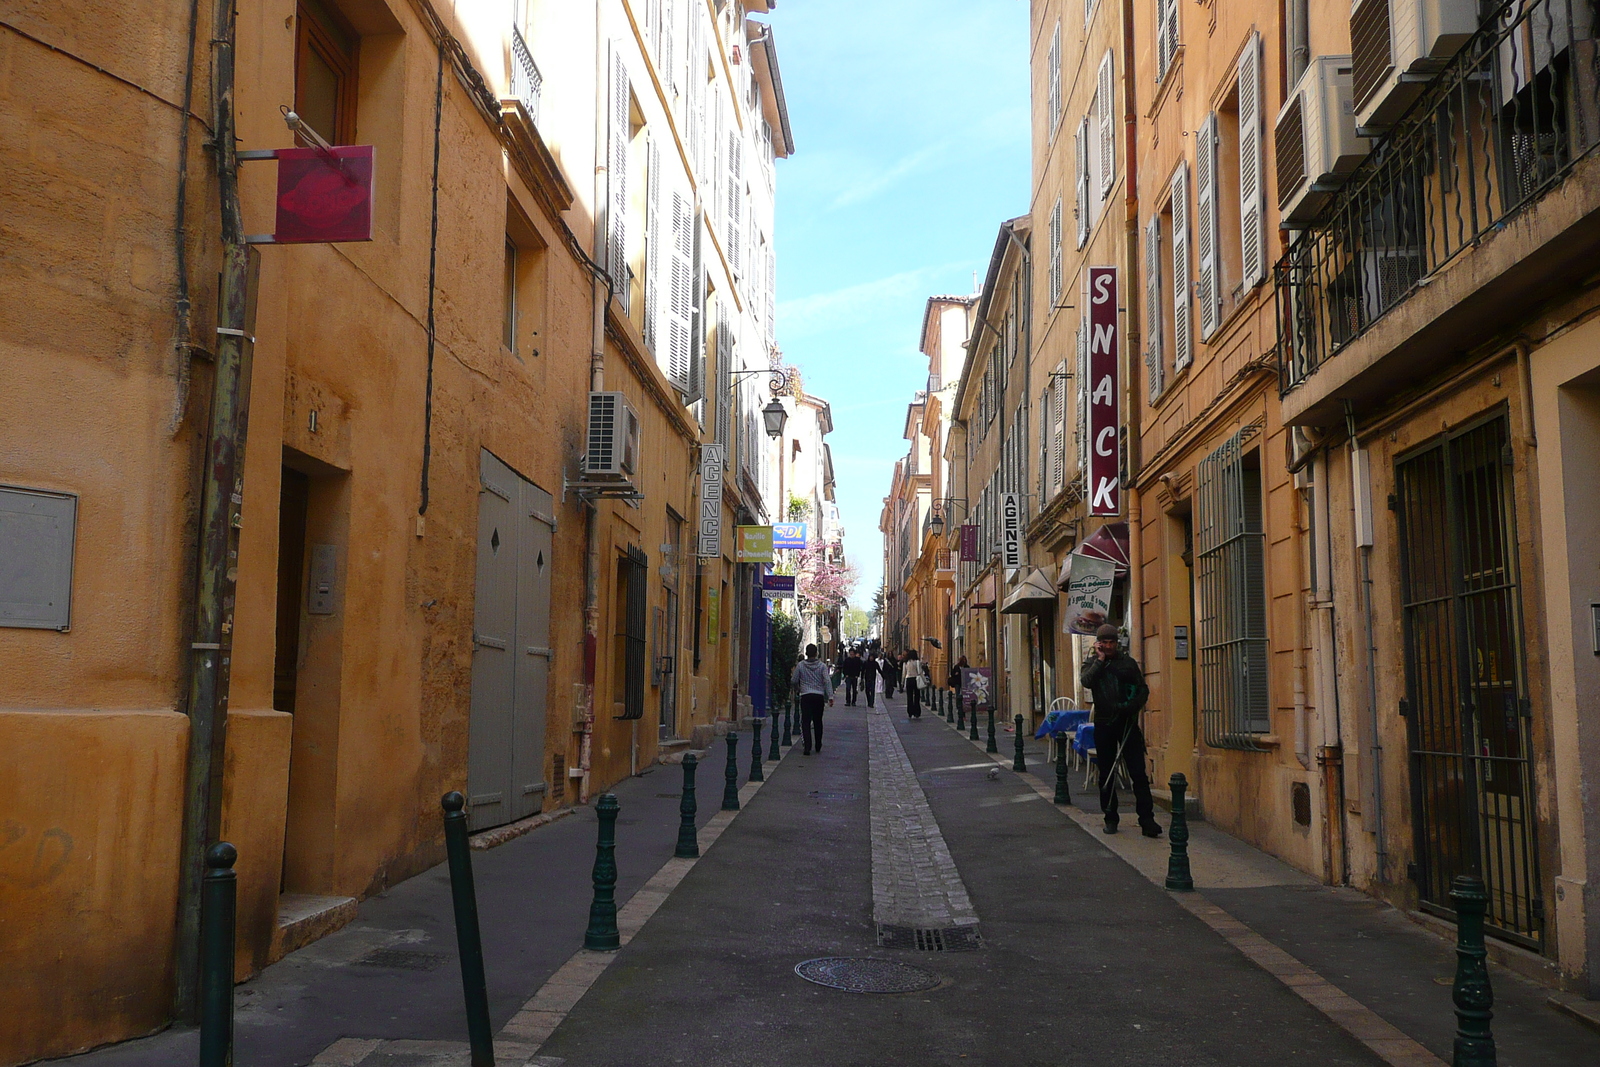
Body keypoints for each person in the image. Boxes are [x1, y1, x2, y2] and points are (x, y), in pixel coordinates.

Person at [1080, 624, 1162, 837]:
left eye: (1112, 642)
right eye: (1104, 642)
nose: (1108, 646)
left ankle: (1147, 820)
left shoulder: (1128, 663)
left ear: (1117, 643)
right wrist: (1100, 660)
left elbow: (1142, 690)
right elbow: (1086, 682)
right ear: (1098, 644)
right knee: (1107, 773)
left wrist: (1131, 706)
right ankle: (1110, 817)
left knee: (1138, 774)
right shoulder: (1092, 663)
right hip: (1104, 724)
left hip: (1127, 724)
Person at [791, 643, 835, 755]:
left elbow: (794, 680)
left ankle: (807, 746)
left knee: (805, 721)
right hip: (818, 696)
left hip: (805, 695)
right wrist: (830, 696)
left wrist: (798, 689)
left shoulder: (801, 665)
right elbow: (827, 681)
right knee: (817, 721)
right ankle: (818, 744)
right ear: (816, 653)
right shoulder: (822, 666)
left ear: (806, 653)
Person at [903, 649, 926, 719]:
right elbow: (920, 672)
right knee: (916, 696)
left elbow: (904, 673)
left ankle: (910, 712)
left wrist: (902, 682)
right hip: (915, 679)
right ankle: (917, 712)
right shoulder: (917, 662)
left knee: (909, 697)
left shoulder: (906, 663)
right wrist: (925, 680)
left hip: (908, 680)